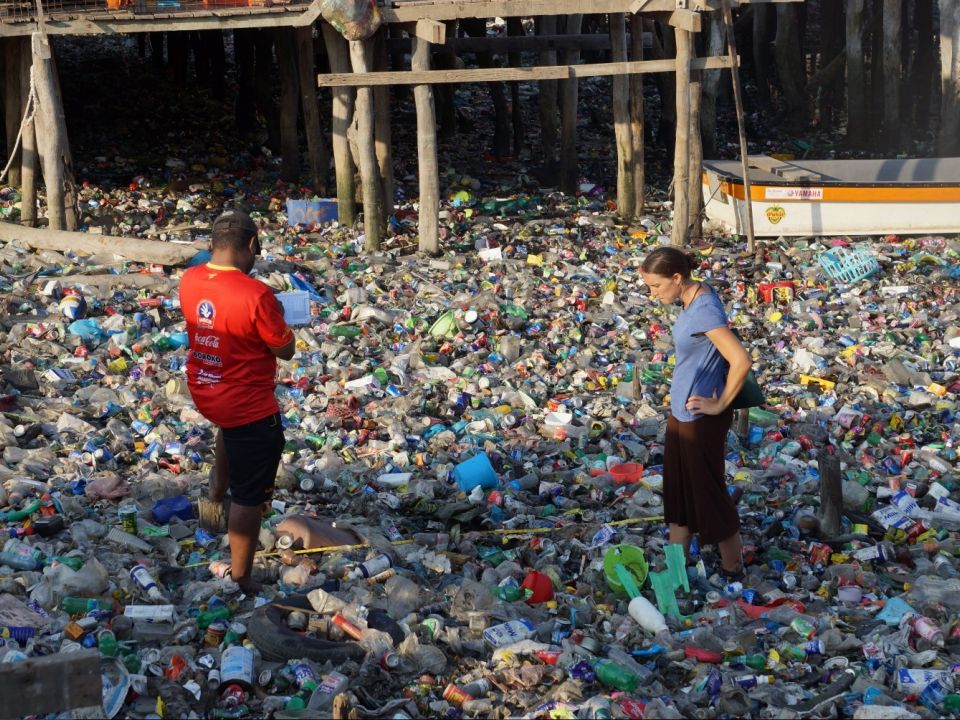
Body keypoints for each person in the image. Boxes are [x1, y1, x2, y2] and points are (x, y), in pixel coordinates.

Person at [180, 210, 295, 591]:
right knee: (250, 492)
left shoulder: (190, 278)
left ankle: (214, 496)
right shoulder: (257, 294)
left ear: (213, 244)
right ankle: (242, 575)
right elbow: (285, 350)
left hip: (205, 388)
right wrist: (277, 313)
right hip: (245, 404)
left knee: (232, 431)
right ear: (251, 245)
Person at [639, 246, 751, 579]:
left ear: (677, 278)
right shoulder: (694, 297)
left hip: (700, 420)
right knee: (679, 493)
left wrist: (720, 403)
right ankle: (676, 568)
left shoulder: (703, 310)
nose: (652, 294)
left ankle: (734, 569)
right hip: (682, 415)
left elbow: (741, 360)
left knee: (707, 493)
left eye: (657, 286)